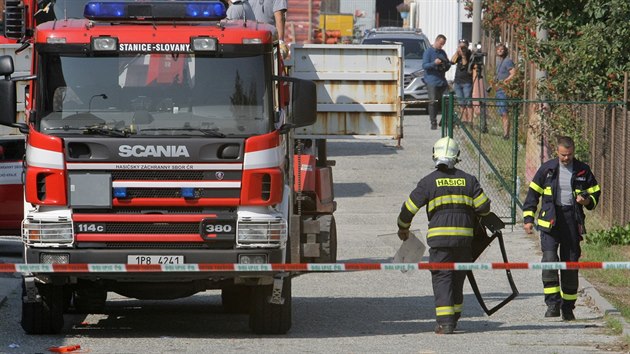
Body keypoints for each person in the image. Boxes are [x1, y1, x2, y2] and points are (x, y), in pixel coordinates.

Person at [397, 137, 491, 334]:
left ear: (435, 155)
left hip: (440, 241)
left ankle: (445, 323)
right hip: (464, 241)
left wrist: (403, 228)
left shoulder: (428, 182)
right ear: (457, 157)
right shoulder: (469, 180)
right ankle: (454, 318)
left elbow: (408, 209)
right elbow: (484, 208)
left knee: (442, 278)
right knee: (458, 278)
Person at [523, 136, 601, 321]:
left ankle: (568, 308)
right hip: (551, 221)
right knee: (549, 260)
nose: (566, 158)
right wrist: (528, 218)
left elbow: (595, 192)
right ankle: (552, 304)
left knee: (570, 265)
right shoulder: (547, 169)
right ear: (556, 151)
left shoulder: (583, 169)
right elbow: (532, 194)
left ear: (574, 152)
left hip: (572, 222)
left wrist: (587, 200)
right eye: (563, 155)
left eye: (569, 155)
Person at [422, 34, 451, 130]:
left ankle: (445, 121)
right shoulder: (428, 52)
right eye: (441, 43)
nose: (441, 46)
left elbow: (446, 65)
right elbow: (425, 66)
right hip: (432, 81)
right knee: (433, 101)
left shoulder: (442, 52)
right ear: (436, 41)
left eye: (443, 44)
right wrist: (434, 63)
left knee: (448, 100)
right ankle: (433, 122)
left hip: (442, 81)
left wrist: (447, 65)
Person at [494, 43, 516, 140]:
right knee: (501, 112)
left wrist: (506, 81)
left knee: (504, 112)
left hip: (503, 90)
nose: (500, 51)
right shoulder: (499, 62)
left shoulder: (508, 61)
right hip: (498, 89)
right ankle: (504, 132)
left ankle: (506, 134)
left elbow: (513, 73)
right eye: (498, 49)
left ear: (505, 51)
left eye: (502, 50)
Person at [450, 39, 473, 126]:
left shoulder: (470, 54)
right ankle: (464, 120)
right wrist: (457, 52)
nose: (462, 48)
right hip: (458, 81)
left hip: (467, 82)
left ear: (467, 47)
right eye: (460, 46)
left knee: (468, 102)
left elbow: (465, 65)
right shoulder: (458, 55)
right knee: (461, 102)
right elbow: (451, 61)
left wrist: (463, 55)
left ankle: (470, 121)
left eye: (463, 46)